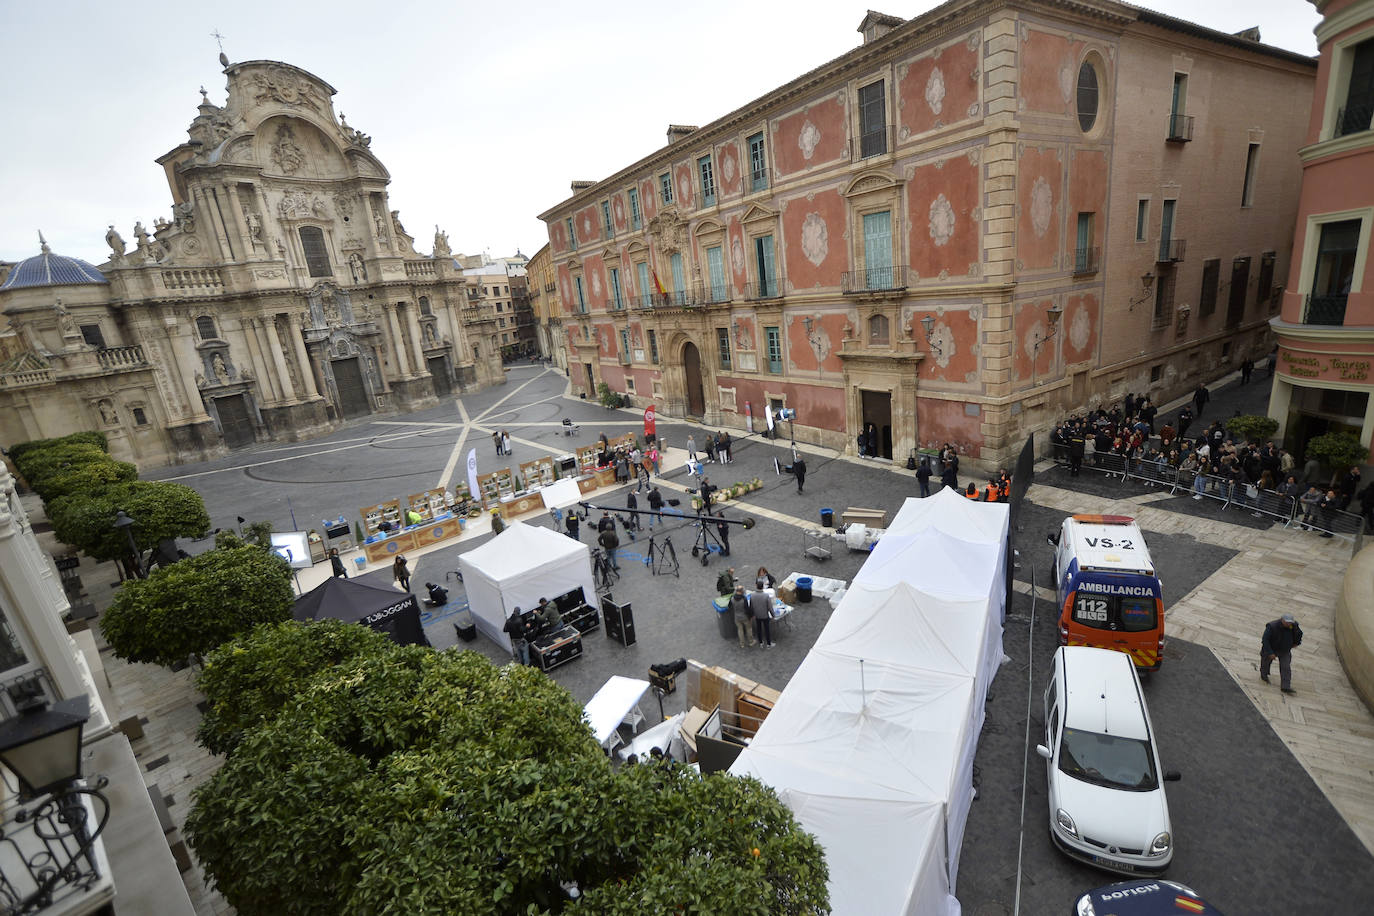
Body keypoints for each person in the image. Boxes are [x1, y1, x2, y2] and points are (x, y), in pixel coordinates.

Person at [1260, 613, 1303, 693]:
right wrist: (1270, 652)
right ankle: (1264, 674)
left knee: (1286, 667)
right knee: (1265, 663)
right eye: (1287, 622)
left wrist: (1297, 643)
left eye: (1290, 622)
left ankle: (1285, 686)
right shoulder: (1272, 626)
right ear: (1282, 620)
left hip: (1285, 650)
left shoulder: (1294, 625)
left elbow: (1299, 634)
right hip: (1272, 648)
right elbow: (1265, 640)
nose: (1288, 624)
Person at [750, 583, 774, 649]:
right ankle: (769, 644)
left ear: (756, 586)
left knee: (759, 629)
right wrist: (773, 615)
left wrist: (753, 615)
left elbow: (751, 606)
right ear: (762, 587)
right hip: (765, 615)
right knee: (767, 629)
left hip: (757, 615)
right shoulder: (766, 596)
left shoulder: (752, 595)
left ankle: (761, 642)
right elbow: (770, 607)